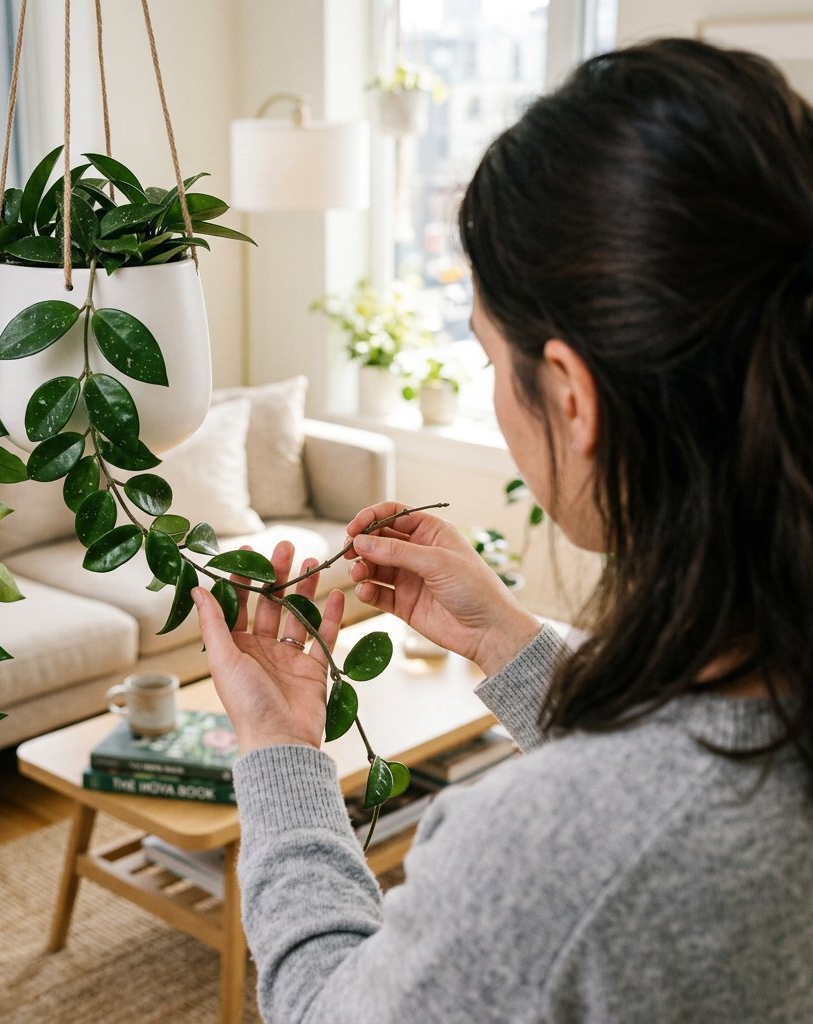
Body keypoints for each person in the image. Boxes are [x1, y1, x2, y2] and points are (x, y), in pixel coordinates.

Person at [191, 37, 813, 1022]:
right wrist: (506, 639)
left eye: (488, 356)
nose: (493, 391)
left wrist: (277, 744)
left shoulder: (534, 850)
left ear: (568, 395)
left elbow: (322, 1006)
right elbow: (676, 764)